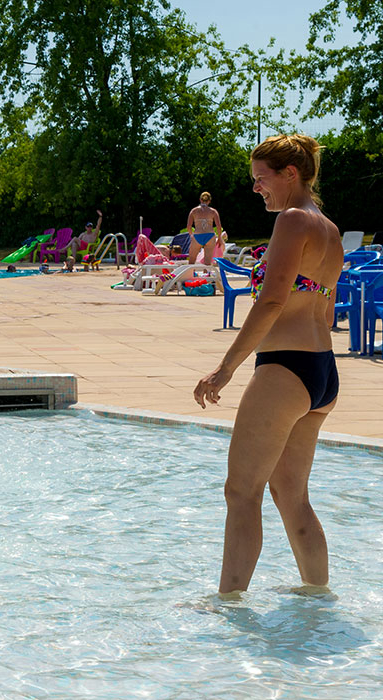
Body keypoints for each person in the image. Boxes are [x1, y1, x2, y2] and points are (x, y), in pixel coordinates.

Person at [193, 134, 342, 598]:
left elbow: (274, 298)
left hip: (285, 369)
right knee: (291, 496)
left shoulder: (293, 220)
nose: (257, 188)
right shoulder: (329, 229)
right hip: (321, 371)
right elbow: (327, 305)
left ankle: (227, 605)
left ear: (290, 174)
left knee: (241, 493)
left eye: (262, 179)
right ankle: (318, 598)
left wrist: (225, 368)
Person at [186, 192, 223, 265]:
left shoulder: (194, 211)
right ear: (209, 201)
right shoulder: (213, 211)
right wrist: (219, 238)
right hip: (210, 236)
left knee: (191, 261)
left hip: (197, 235)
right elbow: (219, 227)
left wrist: (191, 236)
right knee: (207, 262)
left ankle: (191, 274)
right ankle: (206, 274)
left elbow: (189, 226)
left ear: (200, 199)